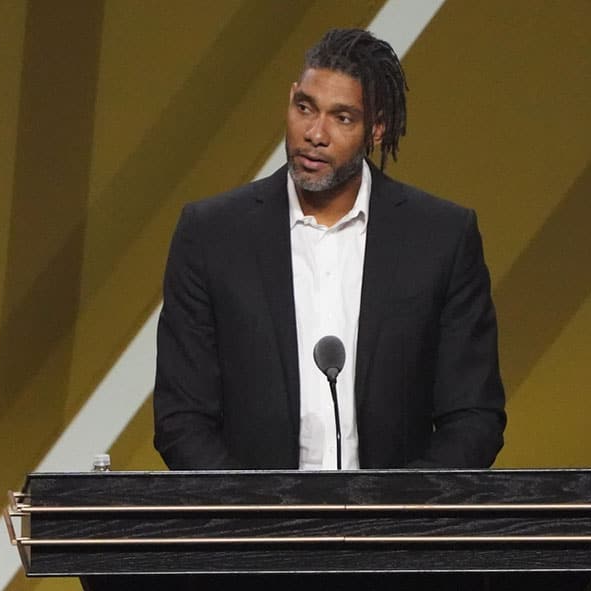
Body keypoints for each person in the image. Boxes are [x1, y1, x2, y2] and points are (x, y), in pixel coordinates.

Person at [153, 28, 505, 470]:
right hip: (252, 530)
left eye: (342, 118)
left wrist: (396, 520)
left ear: (376, 127)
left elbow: (474, 418)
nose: (314, 134)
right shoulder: (211, 234)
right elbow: (181, 418)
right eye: (305, 108)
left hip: (395, 530)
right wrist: (251, 521)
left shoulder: (442, 238)